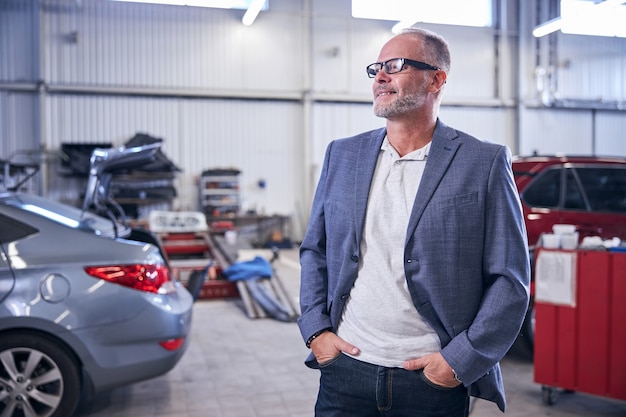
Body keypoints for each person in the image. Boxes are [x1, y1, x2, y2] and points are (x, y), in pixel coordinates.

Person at [297, 27, 530, 417]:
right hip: (345, 371)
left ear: (437, 79)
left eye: (396, 66)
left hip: (431, 380)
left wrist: (459, 361)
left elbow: (510, 280)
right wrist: (316, 331)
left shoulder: (483, 162)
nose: (381, 77)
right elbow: (314, 250)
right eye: (377, 68)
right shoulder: (343, 155)